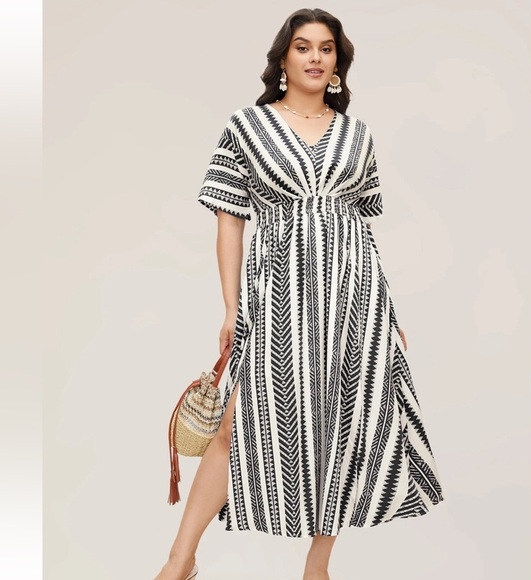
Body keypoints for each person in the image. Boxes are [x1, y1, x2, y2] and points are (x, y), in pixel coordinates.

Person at [155, 8, 444, 580]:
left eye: (326, 48)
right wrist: (232, 308)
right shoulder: (247, 126)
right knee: (236, 426)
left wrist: (387, 312)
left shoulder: (357, 135)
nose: (315, 57)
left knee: (346, 424)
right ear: (283, 58)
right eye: (303, 47)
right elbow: (229, 222)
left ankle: (318, 567)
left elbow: (360, 226)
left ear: (338, 62)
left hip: (354, 297)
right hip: (277, 295)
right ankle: (179, 561)